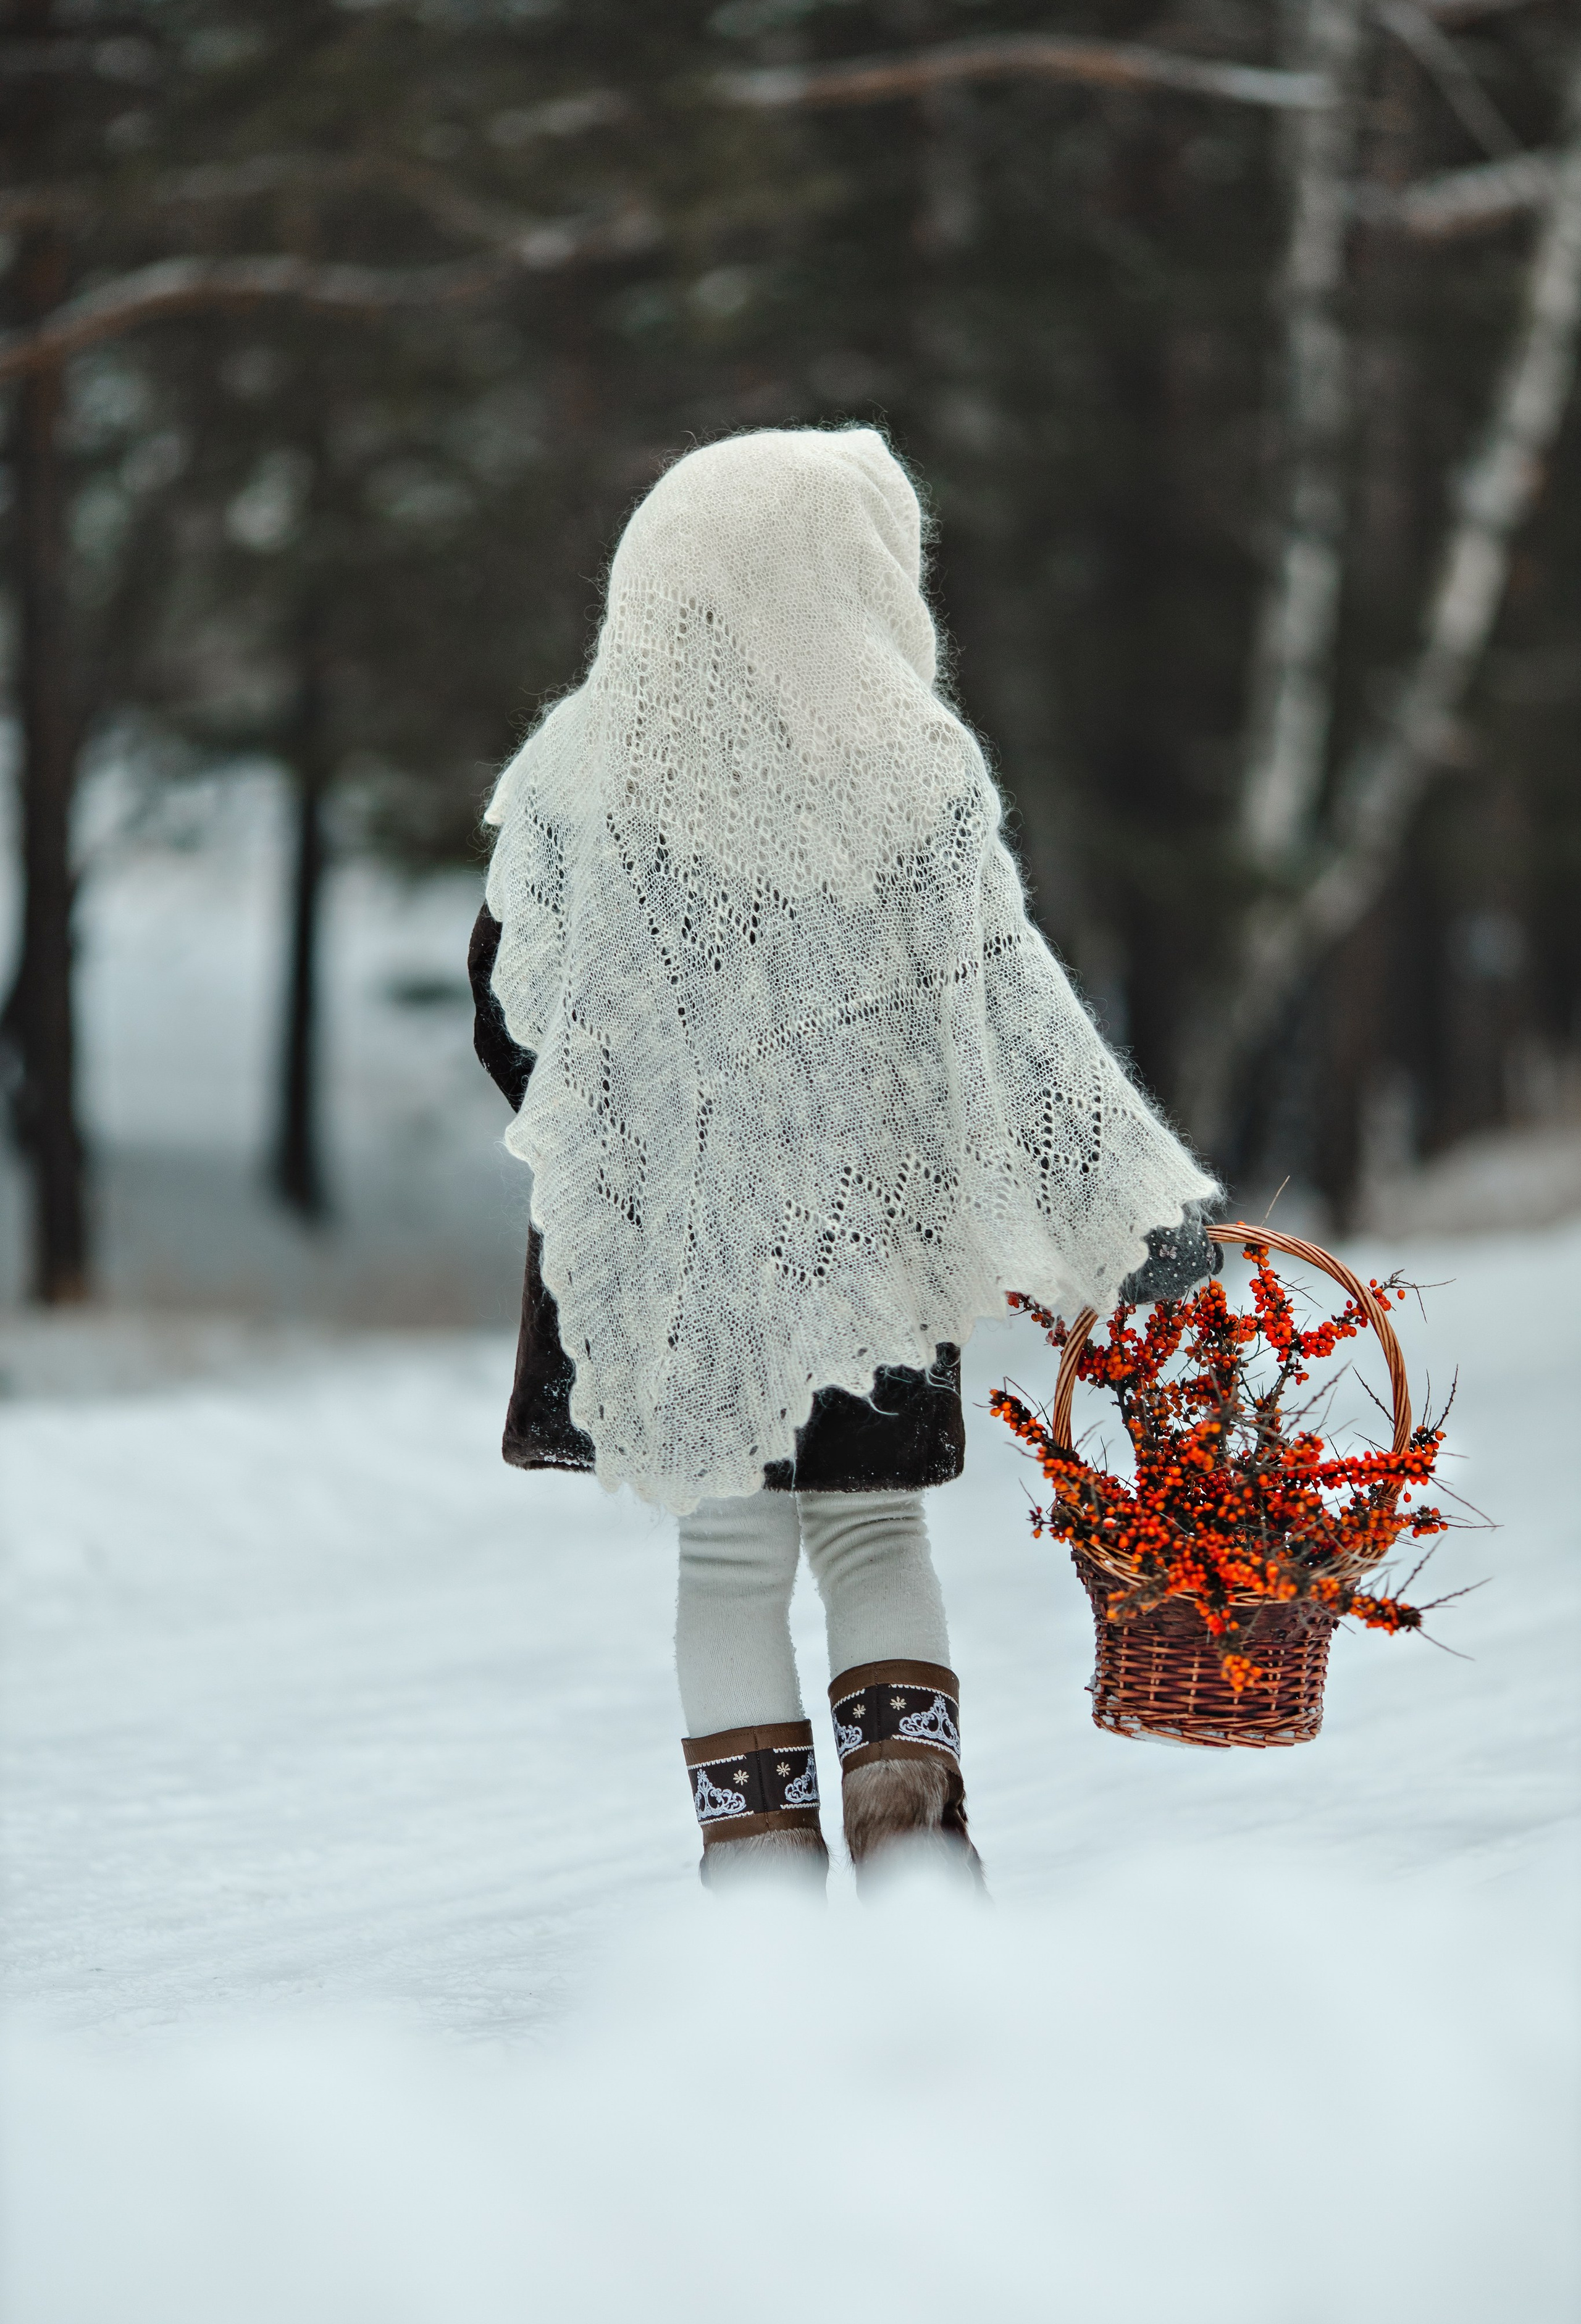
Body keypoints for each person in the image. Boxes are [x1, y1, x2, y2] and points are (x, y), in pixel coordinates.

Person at [469, 427, 1220, 1893]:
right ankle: (905, 1826)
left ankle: (754, 1875)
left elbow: (514, 1014)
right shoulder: (909, 772)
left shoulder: (573, 779)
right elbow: (1005, 1013)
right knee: (872, 1530)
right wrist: (1132, 1203)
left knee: (725, 1556)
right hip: (866, 1240)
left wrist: (638, 1143)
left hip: (669, 1246)